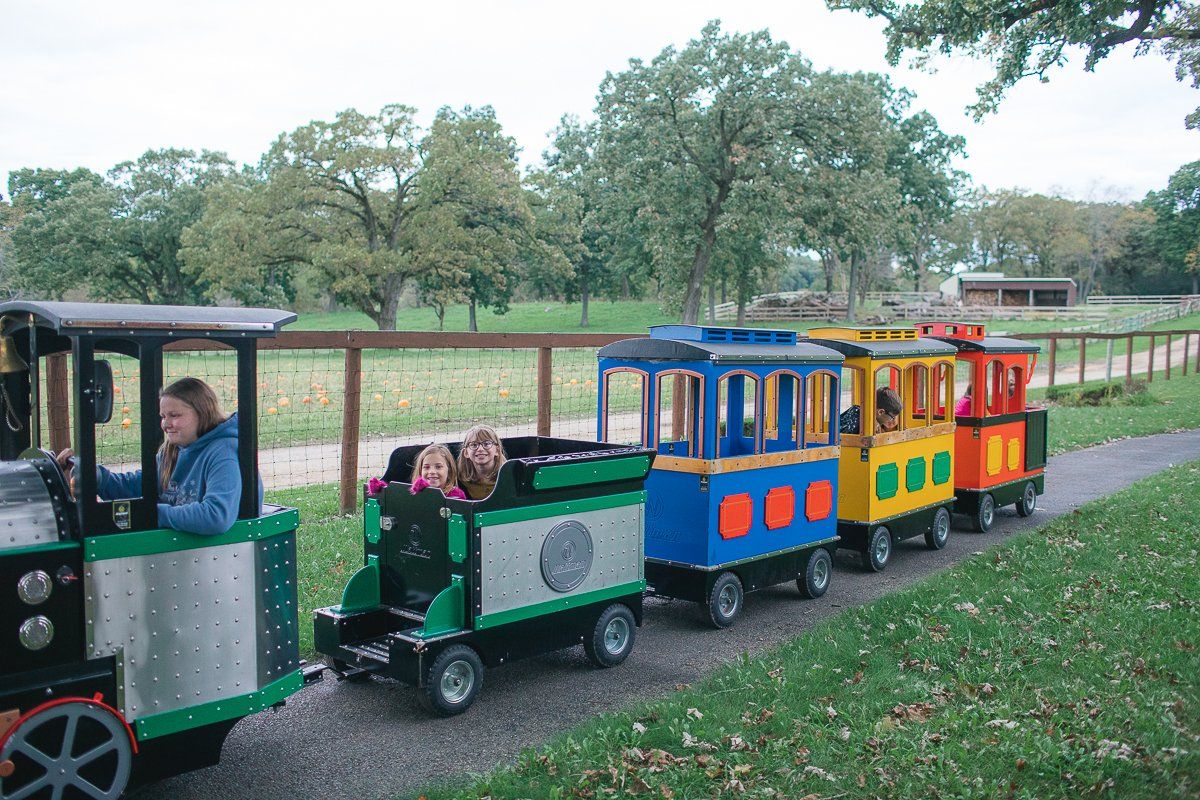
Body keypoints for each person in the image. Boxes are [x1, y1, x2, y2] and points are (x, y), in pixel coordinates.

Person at [56, 377, 258, 536]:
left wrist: (150, 513)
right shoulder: (171, 450)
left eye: (175, 416)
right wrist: (96, 475)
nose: (166, 424)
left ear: (203, 413)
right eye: (163, 416)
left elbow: (216, 516)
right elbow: (139, 485)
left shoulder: (224, 452)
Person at [457, 424, 507, 500]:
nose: (480, 449)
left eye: (486, 444)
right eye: (474, 445)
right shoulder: (459, 478)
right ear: (466, 453)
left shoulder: (507, 476)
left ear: (497, 450)